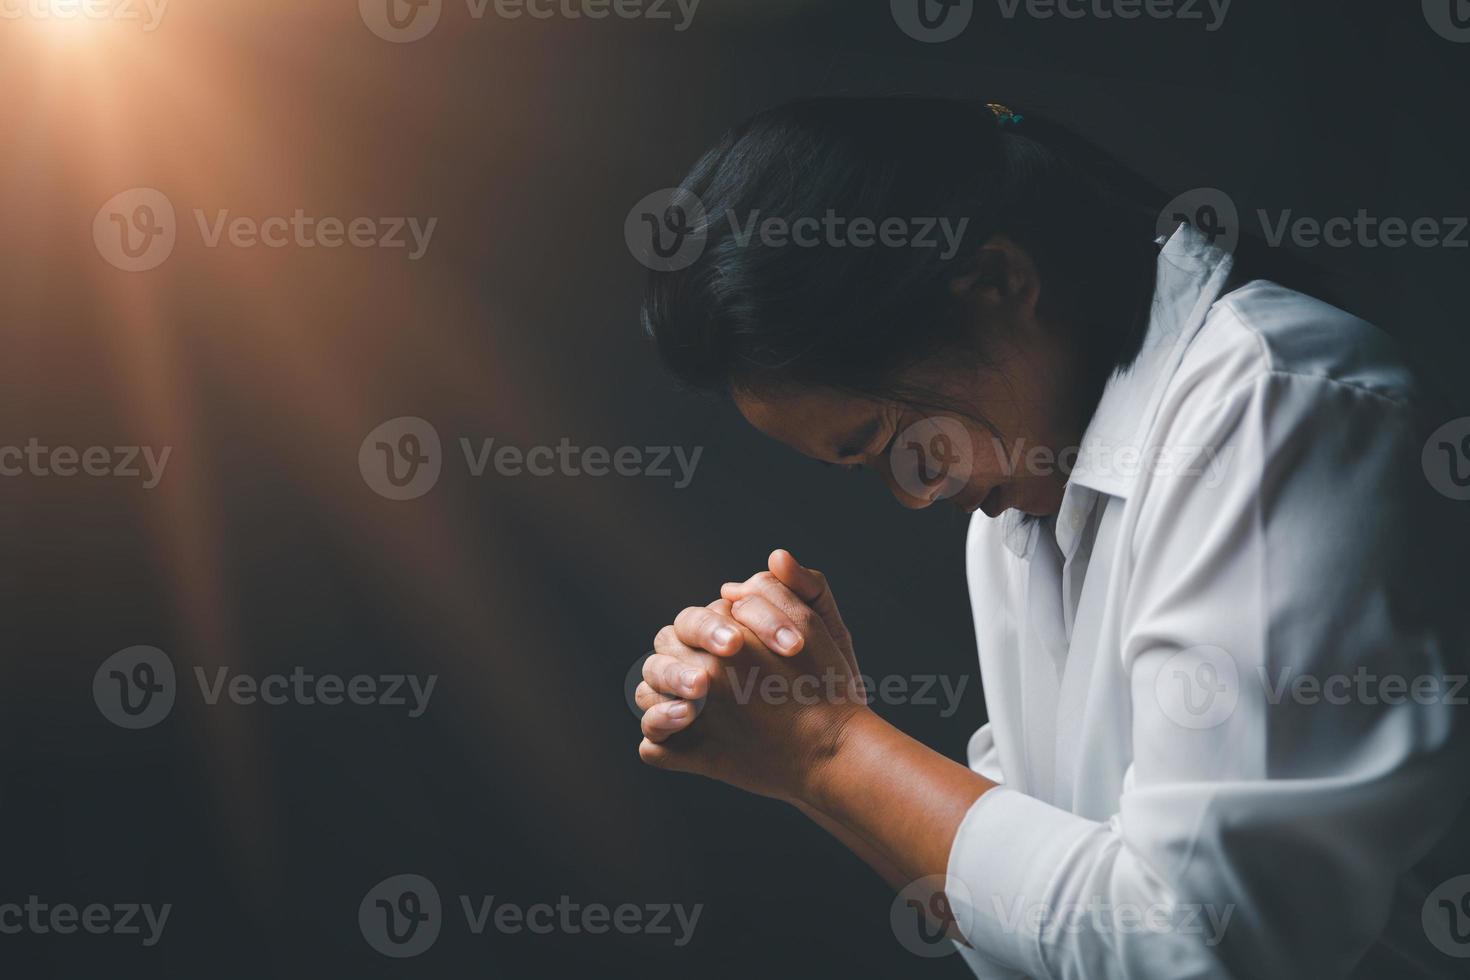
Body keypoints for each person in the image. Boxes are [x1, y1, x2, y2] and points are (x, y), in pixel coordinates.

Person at [631, 96, 1469, 978]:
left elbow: (1196, 949)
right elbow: (1037, 941)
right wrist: (804, 758)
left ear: (997, 284)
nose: (914, 495)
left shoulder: (1271, 405)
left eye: (885, 438)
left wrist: (831, 744)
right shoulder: (1022, 505)